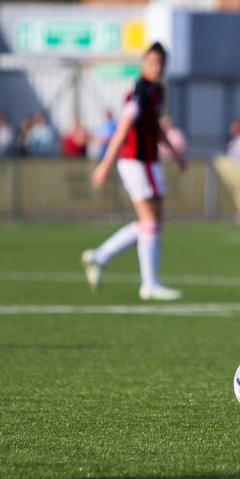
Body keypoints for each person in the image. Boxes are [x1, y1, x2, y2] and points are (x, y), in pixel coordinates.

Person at [82, 42, 187, 301]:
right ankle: (149, 284)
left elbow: (155, 127)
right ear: (143, 64)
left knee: (151, 223)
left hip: (148, 161)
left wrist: (174, 153)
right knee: (151, 222)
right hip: (136, 160)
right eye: (152, 62)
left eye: (161, 63)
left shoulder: (156, 90)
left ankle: (99, 256)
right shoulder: (141, 89)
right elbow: (124, 125)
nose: (157, 67)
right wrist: (106, 164)